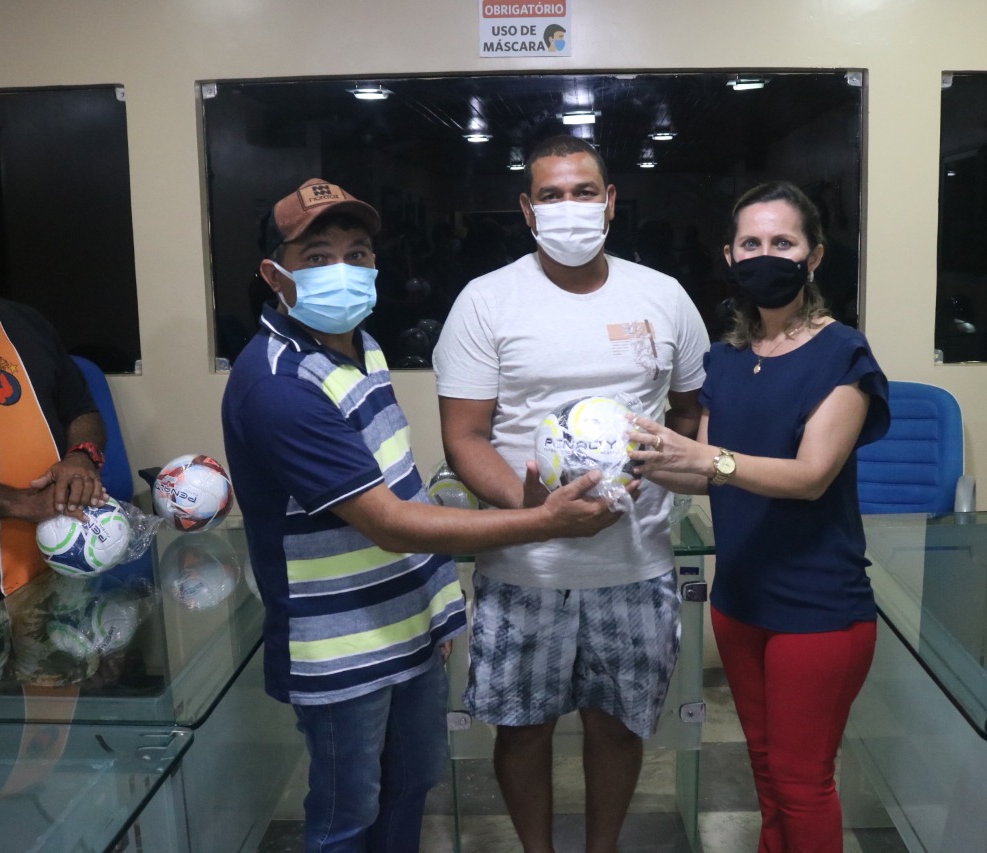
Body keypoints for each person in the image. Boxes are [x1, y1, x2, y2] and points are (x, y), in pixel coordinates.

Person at [220, 178, 623, 853]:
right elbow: (388, 521)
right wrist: (544, 521)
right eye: (317, 257)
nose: (343, 269)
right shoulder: (278, 384)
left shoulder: (359, 346)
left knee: (410, 788)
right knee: (347, 815)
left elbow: (400, 481)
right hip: (340, 649)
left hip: (405, 628)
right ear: (274, 274)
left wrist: (434, 609)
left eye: (357, 252)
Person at [433, 136, 708, 853]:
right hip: (525, 565)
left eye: (584, 192)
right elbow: (465, 437)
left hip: (636, 562)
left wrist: (664, 473)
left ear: (610, 201)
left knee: (617, 726)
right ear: (527, 210)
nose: (569, 207)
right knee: (522, 728)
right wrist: (534, 515)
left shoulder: (663, 296)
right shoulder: (486, 301)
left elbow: (690, 412)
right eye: (551, 195)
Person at [628, 180, 890, 853]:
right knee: (768, 775)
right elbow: (702, 470)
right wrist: (635, 459)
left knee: (803, 784)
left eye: (783, 242)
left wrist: (704, 456)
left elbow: (809, 476)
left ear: (814, 256)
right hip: (740, 601)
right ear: (730, 255)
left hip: (818, 607)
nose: (765, 255)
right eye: (751, 243)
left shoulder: (843, 355)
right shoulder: (725, 359)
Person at [0, 172, 109, 641]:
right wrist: (18, 503)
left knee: (61, 688)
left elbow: (81, 409)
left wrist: (81, 457)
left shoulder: (27, 323)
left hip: (57, 569)